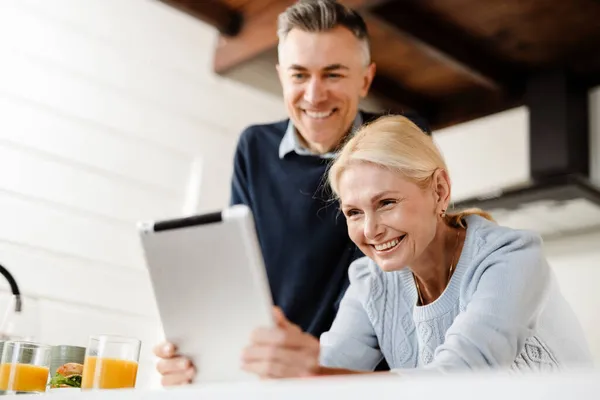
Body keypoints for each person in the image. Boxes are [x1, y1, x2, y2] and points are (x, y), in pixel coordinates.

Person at [154, 114, 592, 383]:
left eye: (387, 203)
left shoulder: (512, 258)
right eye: (353, 212)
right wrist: (207, 370)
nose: (371, 229)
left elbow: (458, 382)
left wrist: (311, 374)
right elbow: (327, 370)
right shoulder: (369, 280)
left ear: (439, 190)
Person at [154, 0, 429, 386]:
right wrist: (203, 353)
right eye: (299, 75)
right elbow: (241, 276)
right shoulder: (254, 148)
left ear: (365, 80)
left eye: (333, 74)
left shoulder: (402, 144)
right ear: (282, 76)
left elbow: (407, 278)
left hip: (361, 379)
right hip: (272, 377)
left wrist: (322, 362)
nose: (314, 96)